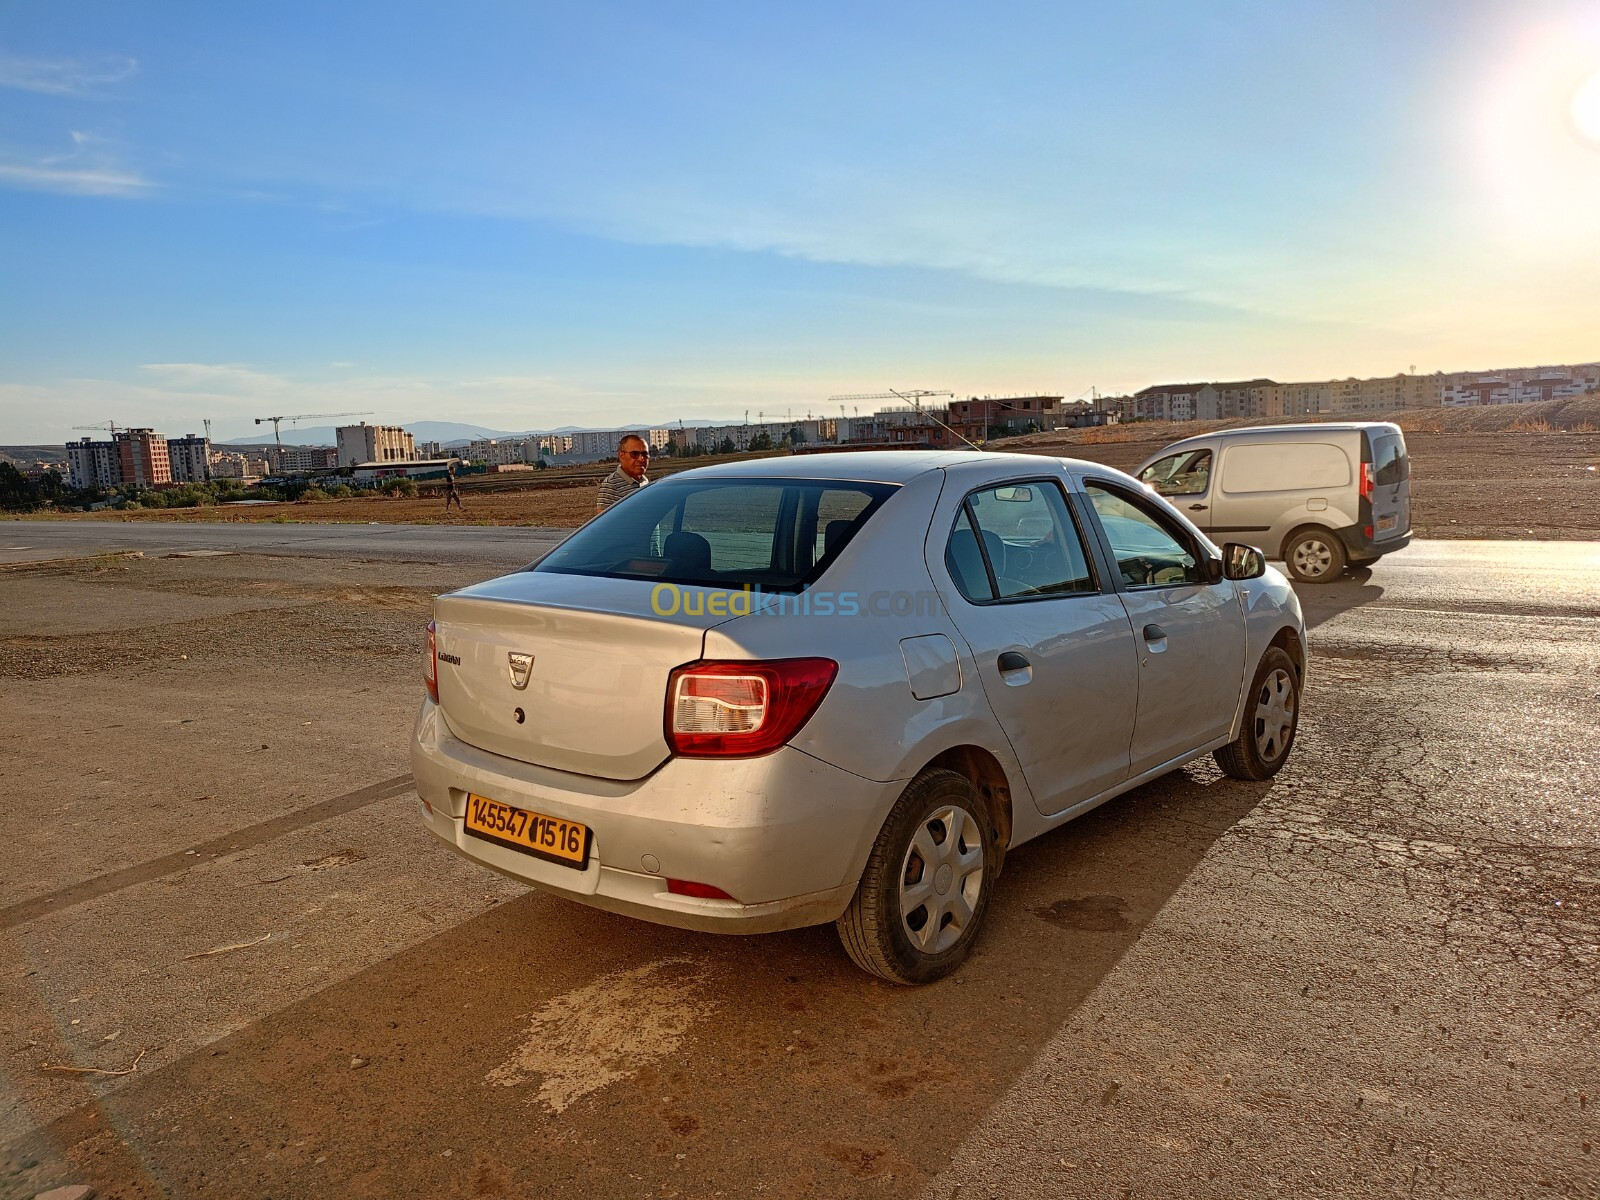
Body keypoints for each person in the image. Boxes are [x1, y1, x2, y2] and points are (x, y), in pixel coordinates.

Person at [596, 434, 650, 514]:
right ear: (621, 455)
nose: (641, 459)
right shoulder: (611, 485)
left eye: (644, 454)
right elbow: (604, 523)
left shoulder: (645, 482)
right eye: (634, 454)